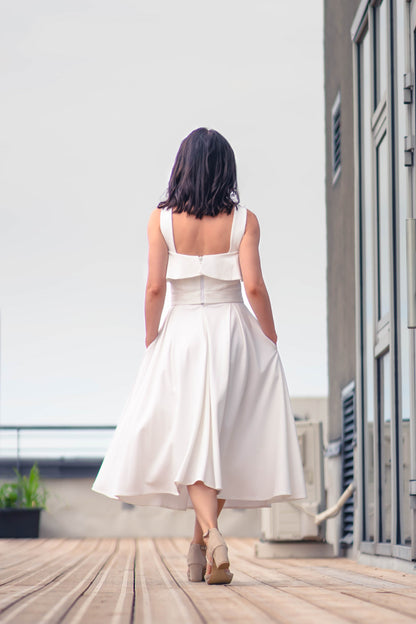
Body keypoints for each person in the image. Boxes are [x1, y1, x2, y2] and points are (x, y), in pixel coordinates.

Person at [92, 127, 307, 585]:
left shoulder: (160, 221)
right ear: (226, 167)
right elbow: (254, 287)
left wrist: (152, 339)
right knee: (220, 440)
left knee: (192, 438)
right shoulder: (246, 221)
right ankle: (201, 548)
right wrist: (270, 339)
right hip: (233, 332)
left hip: (183, 334)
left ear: (182, 167)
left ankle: (208, 537)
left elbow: (153, 288)